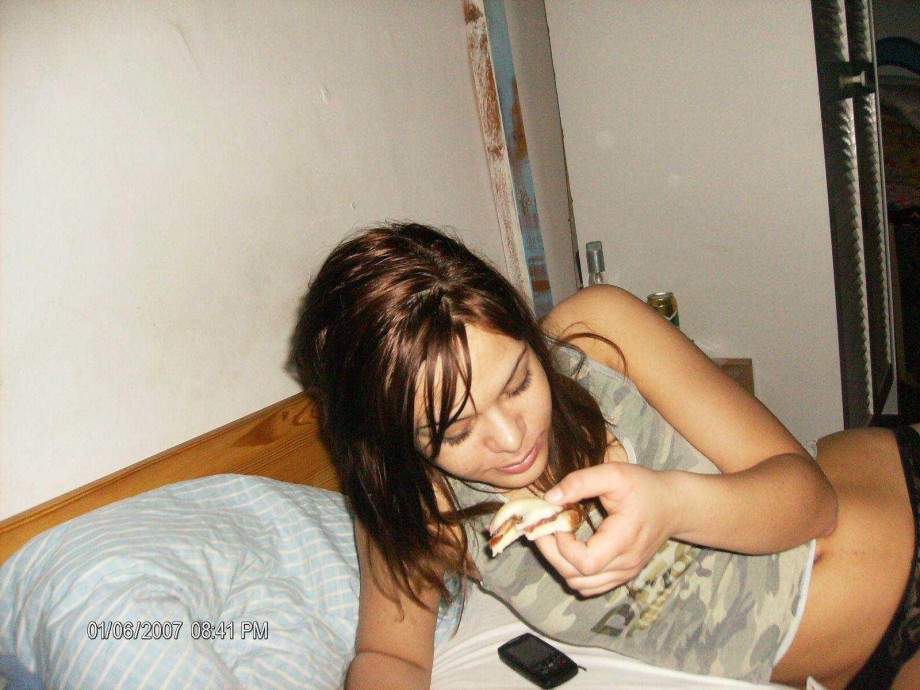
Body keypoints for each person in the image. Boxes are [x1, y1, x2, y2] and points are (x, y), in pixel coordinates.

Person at [287, 222, 920, 690]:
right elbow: (391, 658)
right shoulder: (417, 508)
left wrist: (672, 505)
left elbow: (812, 504)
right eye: (454, 433)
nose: (511, 439)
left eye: (519, 382)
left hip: (899, 505)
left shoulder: (599, 334)